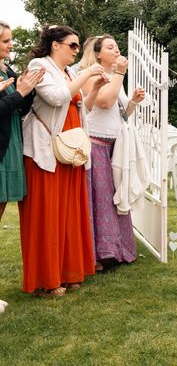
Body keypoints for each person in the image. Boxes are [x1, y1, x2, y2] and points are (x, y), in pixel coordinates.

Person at [19, 25, 104, 297]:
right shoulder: (38, 65)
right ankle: (47, 280)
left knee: (68, 214)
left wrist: (93, 87)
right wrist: (87, 73)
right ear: (55, 45)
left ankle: (68, 273)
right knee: (47, 215)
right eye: (72, 45)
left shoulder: (70, 72)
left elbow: (82, 107)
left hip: (70, 150)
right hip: (45, 149)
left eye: (78, 46)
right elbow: (56, 98)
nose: (77, 51)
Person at [79, 35, 145, 271]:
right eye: (110, 47)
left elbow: (120, 113)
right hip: (96, 145)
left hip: (116, 146)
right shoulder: (89, 75)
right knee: (101, 201)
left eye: (117, 46)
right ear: (97, 53)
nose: (116, 50)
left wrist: (134, 102)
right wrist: (119, 73)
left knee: (117, 199)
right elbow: (104, 102)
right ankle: (97, 255)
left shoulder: (117, 77)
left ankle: (118, 249)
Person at [0, 21, 45, 310]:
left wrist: (27, 91)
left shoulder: (8, 71)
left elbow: (18, 108)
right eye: (5, 41)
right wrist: (19, 93)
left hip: (11, 145)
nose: (11, 46)